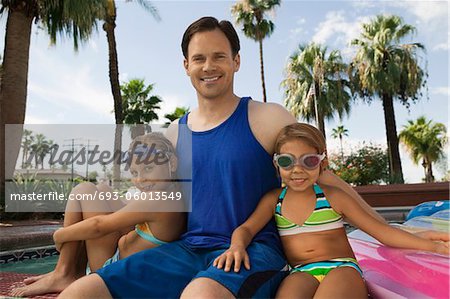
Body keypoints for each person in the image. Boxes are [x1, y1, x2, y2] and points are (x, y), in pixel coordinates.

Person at [57, 16, 443, 299]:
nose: (209, 66)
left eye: (219, 57)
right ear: (186, 66)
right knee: (81, 293)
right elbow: (153, 198)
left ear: (236, 61)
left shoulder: (266, 117)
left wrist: (391, 230)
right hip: (188, 250)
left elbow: (324, 178)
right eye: (199, 59)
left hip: (253, 251)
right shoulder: (173, 134)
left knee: (199, 297)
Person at [213, 123, 450, 298]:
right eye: (287, 161)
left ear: (322, 163)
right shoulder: (274, 200)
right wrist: (236, 246)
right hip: (302, 271)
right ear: (277, 164)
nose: (297, 169)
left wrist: (434, 246)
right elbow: (246, 228)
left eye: (309, 161)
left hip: (341, 267)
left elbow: (382, 232)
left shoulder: (333, 197)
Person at [11, 132, 185, 297]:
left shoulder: (158, 200)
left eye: (148, 168)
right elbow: (123, 206)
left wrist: (60, 235)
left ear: (172, 163)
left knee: (83, 189)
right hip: (128, 265)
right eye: (134, 173)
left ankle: (64, 271)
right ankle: (70, 271)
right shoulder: (173, 195)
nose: (140, 179)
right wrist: (104, 193)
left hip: (115, 272)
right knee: (101, 189)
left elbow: (98, 226)